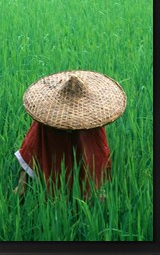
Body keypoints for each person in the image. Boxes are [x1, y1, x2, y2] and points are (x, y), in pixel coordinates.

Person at [14, 70, 127, 198]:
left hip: (74, 141)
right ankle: (25, 183)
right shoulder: (46, 122)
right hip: (56, 141)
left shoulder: (91, 126)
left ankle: (91, 189)